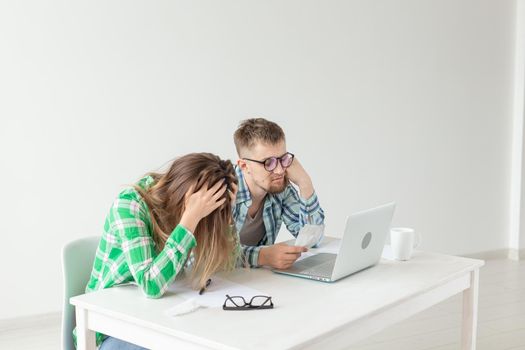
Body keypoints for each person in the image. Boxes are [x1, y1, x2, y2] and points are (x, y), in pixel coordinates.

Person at [78, 153, 239, 350]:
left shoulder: (192, 212)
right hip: (108, 331)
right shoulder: (130, 204)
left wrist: (228, 215)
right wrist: (189, 220)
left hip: (158, 315)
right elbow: (150, 284)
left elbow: (228, 265)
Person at [233, 118, 325, 269]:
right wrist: (262, 256)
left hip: (254, 280)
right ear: (244, 166)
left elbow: (313, 240)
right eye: (268, 163)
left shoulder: (280, 188)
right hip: (217, 285)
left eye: (283, 159)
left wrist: (305, 183)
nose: (280, 170)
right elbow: (210, 256)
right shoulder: (224, 192)